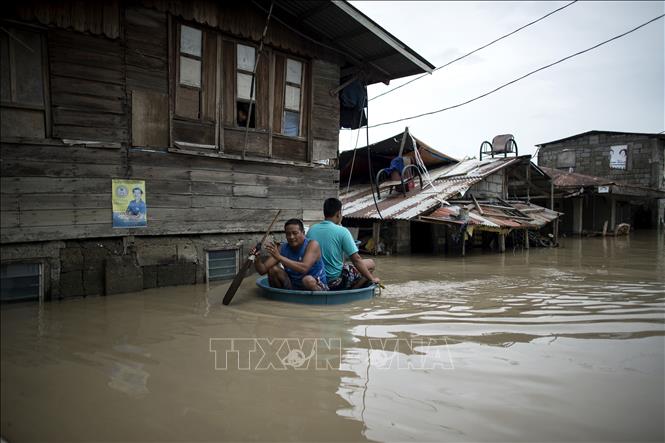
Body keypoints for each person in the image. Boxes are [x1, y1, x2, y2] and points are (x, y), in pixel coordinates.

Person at [307, 198, 380, 290]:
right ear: (338, 214)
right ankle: (353, 290)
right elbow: (356, 259)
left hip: (317, 277)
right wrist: (372, 279)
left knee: (344, 265)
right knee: (371, 263)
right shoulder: (342, 231)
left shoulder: (312, 229)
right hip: (336, 280)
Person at [252, 218, 327, 291]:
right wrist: (257, 259)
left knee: (307, 280)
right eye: (288, 234)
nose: (291, 237)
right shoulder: (283, 248)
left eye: (295, 233)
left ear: (303, 233)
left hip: (314, 284)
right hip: (293, 286)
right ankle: (280, 299)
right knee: (273, 269)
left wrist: (280, 257)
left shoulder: (312, 245)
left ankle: (316, 301)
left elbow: (304, 268)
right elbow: (262, 270)